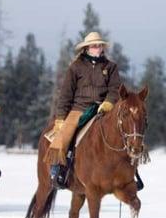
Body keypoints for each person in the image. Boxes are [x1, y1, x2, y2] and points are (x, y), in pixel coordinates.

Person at [45, 31, 121, 189]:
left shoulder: (111, 67)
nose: (98, 48)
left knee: (122, 132)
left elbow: (115, 90)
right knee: (65, 135)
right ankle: (58, 169)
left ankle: (128, 173)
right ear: (87, 48)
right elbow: (66, 94)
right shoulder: (76, 67)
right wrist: (60, 119)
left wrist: (107, 103)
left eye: (100, 45)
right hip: (79, 109)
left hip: (102, 109)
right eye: (94, 46)